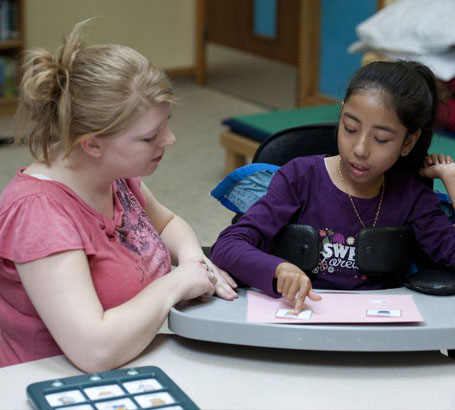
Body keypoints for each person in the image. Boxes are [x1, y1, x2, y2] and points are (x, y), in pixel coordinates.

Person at [0, 20, 237, 371]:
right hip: (59, 380)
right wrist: (174, 284)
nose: (170, 140)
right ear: (92, 143)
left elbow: (167, 222)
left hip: (141, 355)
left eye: (166, 124)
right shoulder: (38, 213)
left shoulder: (114, 176)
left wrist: (191, 260)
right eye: (149, 136)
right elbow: (93, 351)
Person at [211, 60, 455, 313]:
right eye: (350, 129)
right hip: (301, 318)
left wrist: (452, 181)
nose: (360, 149)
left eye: (381, 139)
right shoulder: (300, 177)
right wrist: (278, 269)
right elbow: (228, 246)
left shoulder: (412, 196)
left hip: (376, 331)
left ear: (408, 142)